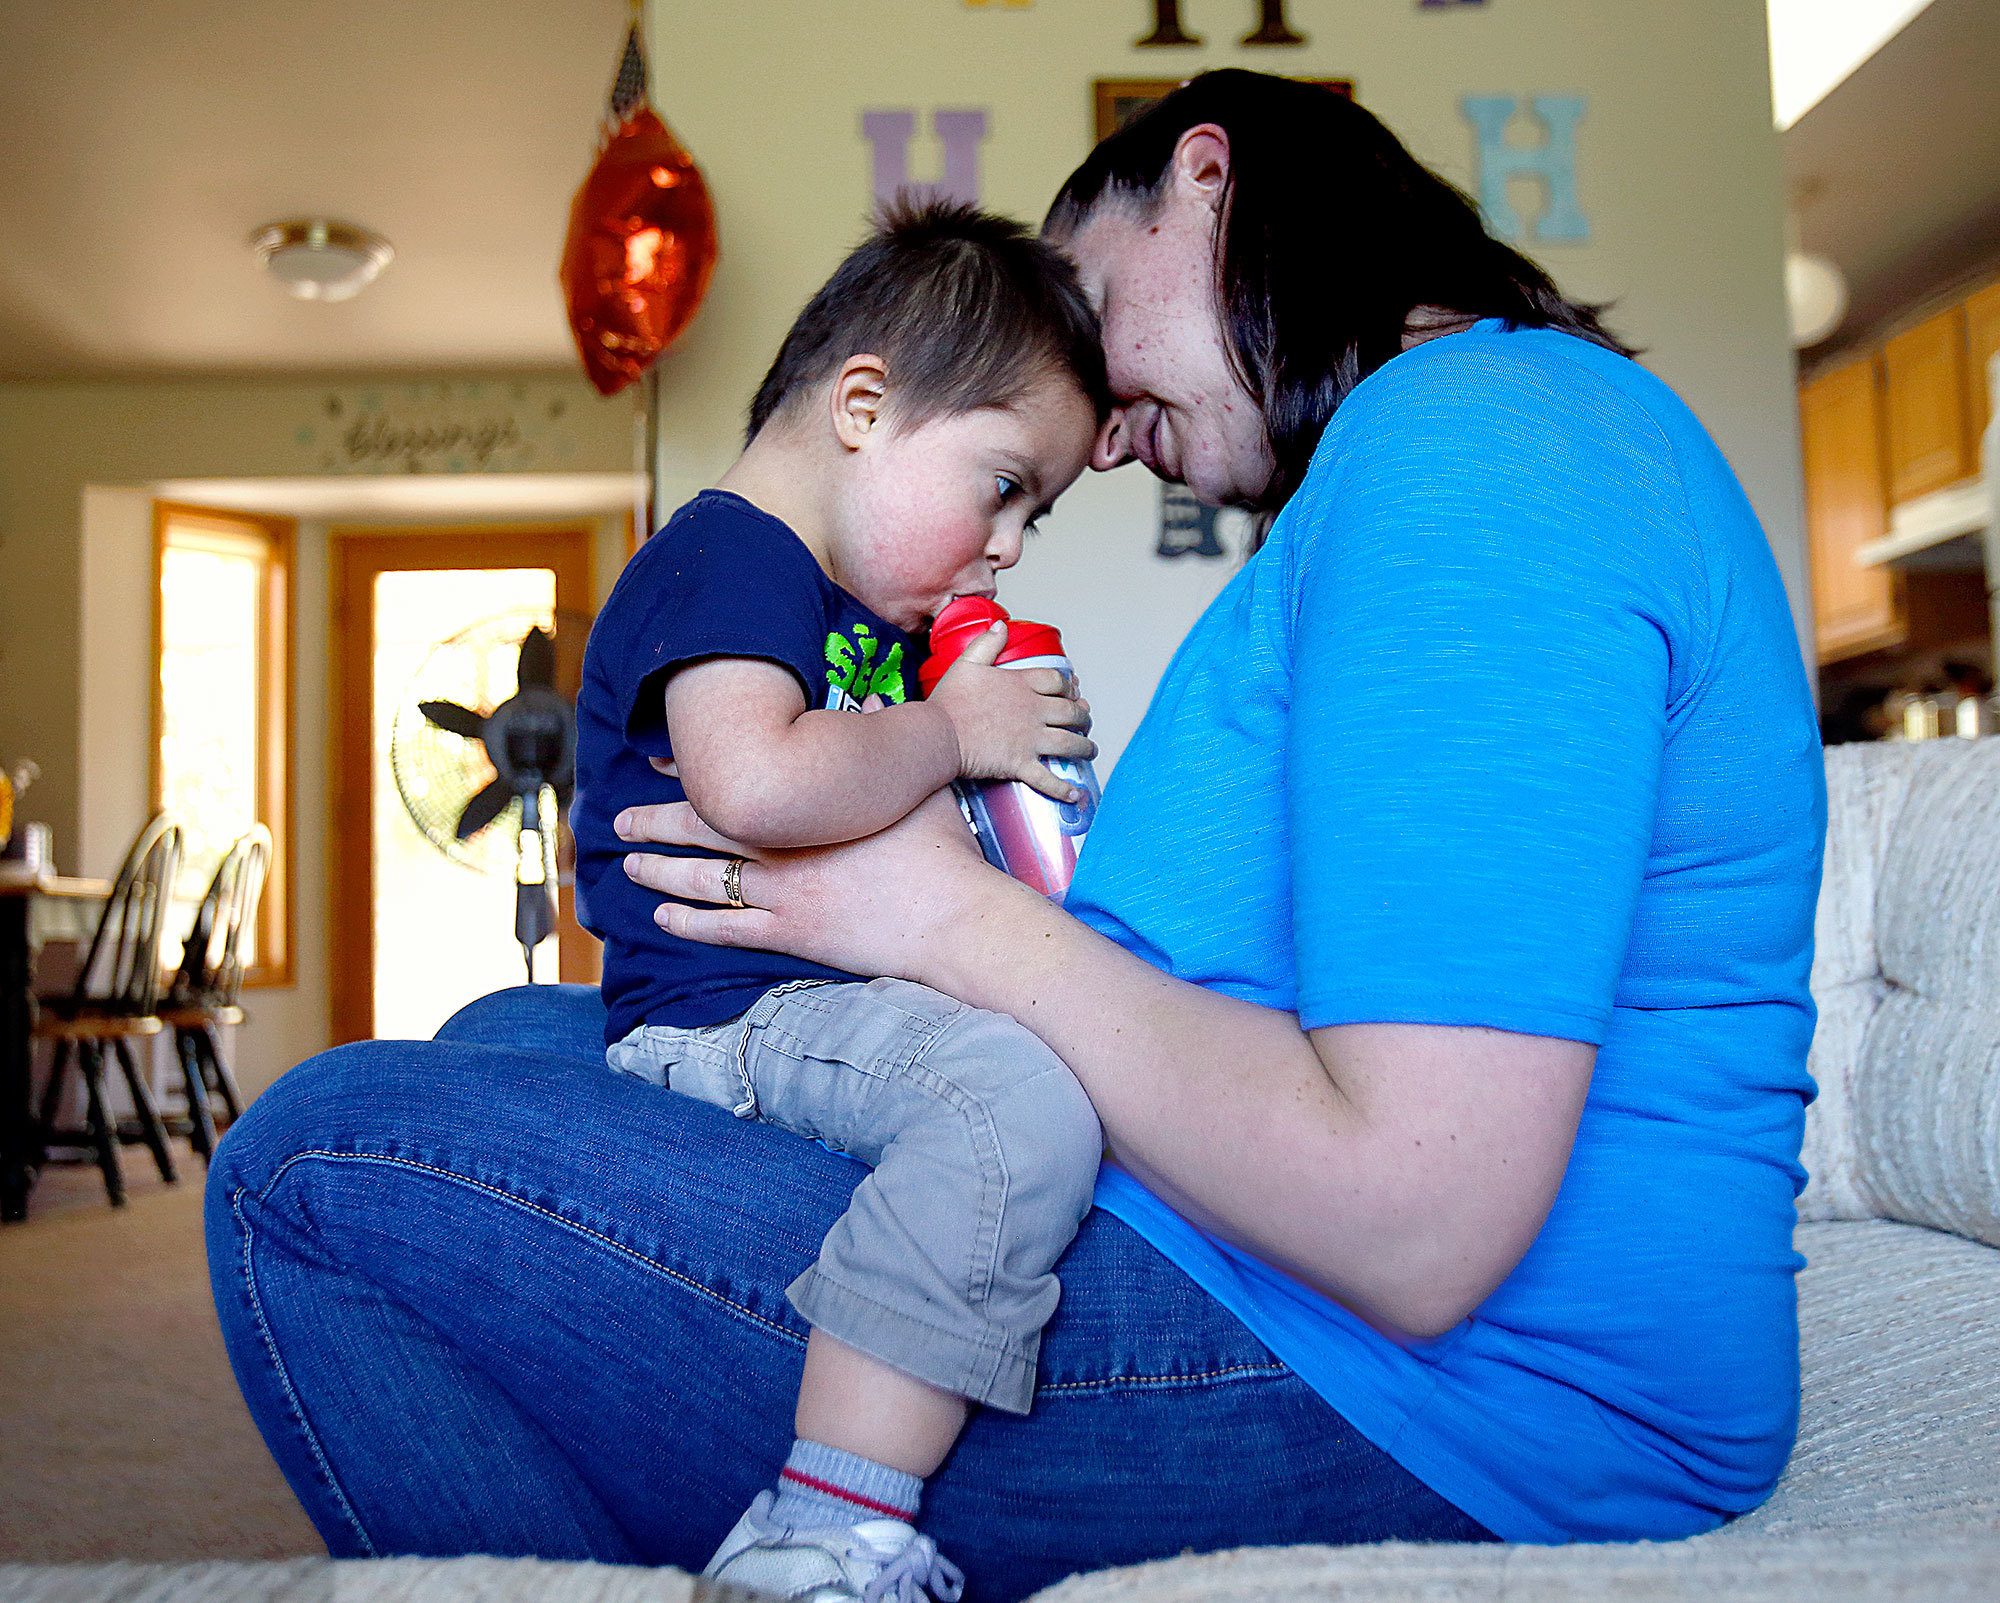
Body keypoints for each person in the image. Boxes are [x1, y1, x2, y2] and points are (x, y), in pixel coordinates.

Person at [204, 70, 1826, 1602]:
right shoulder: (1474, 445)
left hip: (1458, 1400)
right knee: (510, 1034)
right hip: (1279, 1270)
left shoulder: (1475, 447)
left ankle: (811, 1536)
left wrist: (930, 919)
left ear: (1203, 180)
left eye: (1087, 315)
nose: (1102, 437)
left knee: (321, 1162)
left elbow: (1418, 1216)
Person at [574, 199, 1105, 1598]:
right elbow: (753, 782)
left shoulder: (852, 615)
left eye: (1033, 516)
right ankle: (826, 1521)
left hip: (799, 992)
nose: (1005, 546)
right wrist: (955, 734)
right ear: (863, 407)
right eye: (1004, 486)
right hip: (724, 1010)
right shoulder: (735, 555)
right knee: (1016, 1108)